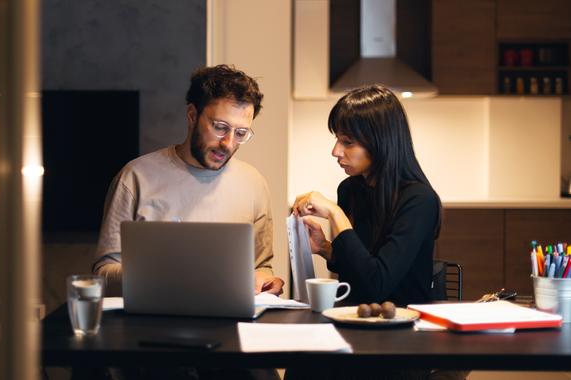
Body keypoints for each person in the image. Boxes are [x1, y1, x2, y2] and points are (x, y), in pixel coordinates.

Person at [288, 86, 456, 380]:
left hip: (402, 336)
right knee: (301, 360)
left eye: (347, 142)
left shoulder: (419, 200)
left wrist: (336, 215)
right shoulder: (351, 189)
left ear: (380, 143)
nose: (336, 151)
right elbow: (360, 268)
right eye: (337, 140)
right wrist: (327, 248)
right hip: (356, 322)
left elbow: (377, 282)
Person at [93, 64, 284, 296]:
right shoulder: (135, 178)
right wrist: (164, 274)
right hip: (153, 323)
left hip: (229, 324)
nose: (228, 143)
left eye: (241, 133)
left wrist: (264, 279)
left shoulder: (254, 184)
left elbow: (261, 266)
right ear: (192, 115)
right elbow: (103, 274)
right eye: (220, 128)